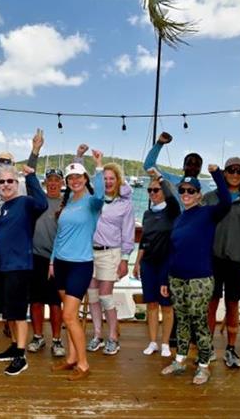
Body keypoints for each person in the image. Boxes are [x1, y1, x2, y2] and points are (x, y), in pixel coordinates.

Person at [160, 165, 230, 385]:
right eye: (183, 191)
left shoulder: (208, 213)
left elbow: (227, 201)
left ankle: (203, 366)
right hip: (176, 278)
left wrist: (217, 174)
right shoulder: (180, 219)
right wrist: (165, 279)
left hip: (200, 278)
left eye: (191, 191)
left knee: (199, 322)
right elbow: (172, 251)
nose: (186, 195)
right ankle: (180, 360)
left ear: (199, 195)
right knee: (181, 320)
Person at [0, 151, 48, 377]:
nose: (6, 185)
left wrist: (32, 177)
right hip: (4, 267)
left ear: (17, 183)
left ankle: (21, 355)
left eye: (10, 181)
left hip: (20, 266)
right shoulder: (2, 208)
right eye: (2, 182)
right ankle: (14, 346)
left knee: (18, 312)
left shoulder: (24, 202)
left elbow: (43, 204)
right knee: (9, 313)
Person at [203, 157, 240, 368]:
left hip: (237, 260)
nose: (235, 174)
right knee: (211, 303)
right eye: (231, 170)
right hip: (212, 258)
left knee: (232, 304)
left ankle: (231, 349)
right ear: (224, 172)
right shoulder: (210, 198)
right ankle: (206, 347)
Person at [50, 161, 104, 380]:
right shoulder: (69, 202)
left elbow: (101, 195)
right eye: (71, 178)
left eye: (79, 177)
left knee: (69, 316)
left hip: (80, 265)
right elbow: (60, 236)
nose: (75, 181)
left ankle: (83, 364)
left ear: (86, 179)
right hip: (61, 264)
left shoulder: (92, 203)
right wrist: (52, 262)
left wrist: (99, 168)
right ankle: (72, 358)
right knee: (68, 315)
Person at [86, 151, 135, 356]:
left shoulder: (125, 204)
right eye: (104, 178)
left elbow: (128, 232)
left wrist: (125, 260)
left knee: (106, 296)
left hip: (111, 254)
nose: (107, 182)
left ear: (118, 180)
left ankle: (113, 336)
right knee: (93, 296)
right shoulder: (94, 200)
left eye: (111, 178)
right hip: (90, 253)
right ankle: (97, 334)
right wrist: (97, 163)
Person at [133, 168, 179, 358]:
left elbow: (171, 194)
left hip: (166, 264)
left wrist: (159, 178)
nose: (152, 193)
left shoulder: (172, 211)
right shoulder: (147, 214)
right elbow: (144, 239)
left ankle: (166, 343)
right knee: (151, 304)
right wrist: (137, 262)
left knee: (166, 305)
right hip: (148, 264)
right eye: (149, 190)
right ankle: (153, 342)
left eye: (156, 190)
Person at [28, 167, 66, 358]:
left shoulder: (66, 204)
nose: (52, 183)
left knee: (55, 303)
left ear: (62, 183)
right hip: (35, 257)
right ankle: (37, 336)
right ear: (45, 183)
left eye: (56, 180)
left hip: (57, 260)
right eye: (49, 180)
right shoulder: (37, 201)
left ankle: (57, 340)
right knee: (35, 301)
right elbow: (29, 179)